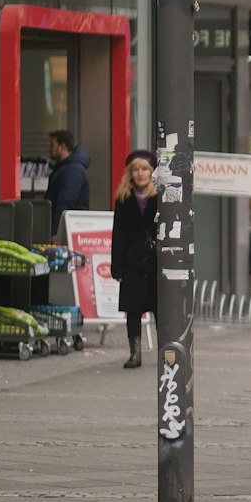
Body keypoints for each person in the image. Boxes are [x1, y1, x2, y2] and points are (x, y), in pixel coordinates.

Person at [109, 150, 160, 370]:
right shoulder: (123, 198)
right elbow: (118, 233)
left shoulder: (160, 196)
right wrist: (116, 266)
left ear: (152, 172)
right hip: (132, 261)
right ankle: (135, 353)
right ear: (130, 173)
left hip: (155, 261)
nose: (140, 174)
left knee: (161, 309)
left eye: (145, 169)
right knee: (133, 309)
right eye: (136, 169)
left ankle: (167, 352)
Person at [46, 130, 91, 237]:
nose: (49, 149)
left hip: (70, 230)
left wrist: (56, 232)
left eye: (52, 145)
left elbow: (65, 203)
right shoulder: (64, 168)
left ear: (62, 147)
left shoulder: (72, 170)